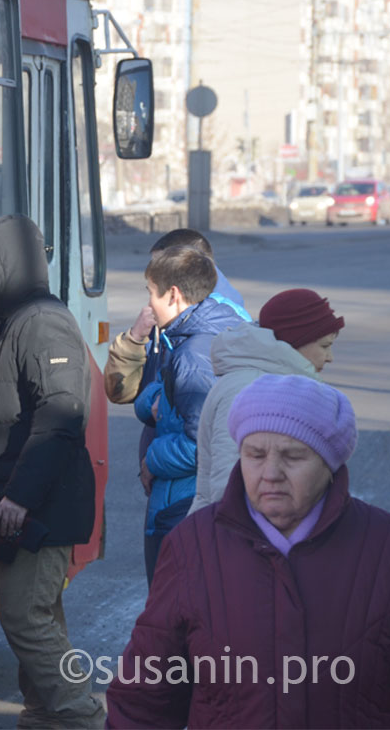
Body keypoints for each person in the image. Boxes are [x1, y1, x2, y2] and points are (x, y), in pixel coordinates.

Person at [107, 374, 390, 729]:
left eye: (293, 456)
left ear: (330, 463)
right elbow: (144, 698)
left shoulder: (384, 547)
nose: (270, 473)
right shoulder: (192, 546)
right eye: (255, 454)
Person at [0, 214, 104, 729]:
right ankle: (44, 714)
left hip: (40, 506)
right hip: (19, 500)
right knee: (38, 616)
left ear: (8, 268)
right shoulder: (17, 323)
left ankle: (80, 714)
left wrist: (20, 498)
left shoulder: (42, 323)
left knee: (25, 617)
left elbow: (60, 420)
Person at [134, 246, 248, 585]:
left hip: (182, 507)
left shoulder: (194, 354)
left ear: (173, 295)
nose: (149, 305)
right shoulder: (196, 336)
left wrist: (152, 459)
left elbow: (203, 445)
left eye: (151, 293)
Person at [190, 288, 345, 513]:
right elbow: (228, 486)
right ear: (294, 342)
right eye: (324, 346)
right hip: (235, 539)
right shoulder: (248, 388)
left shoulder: (271, 382)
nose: (330, 357)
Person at [103, 228, 247, 406]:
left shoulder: (210, 334)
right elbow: (122, 391)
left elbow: (195, 426)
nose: (155, 274)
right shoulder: (173, 319)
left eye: (161, 267)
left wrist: (159, 405)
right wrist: (133, 340)